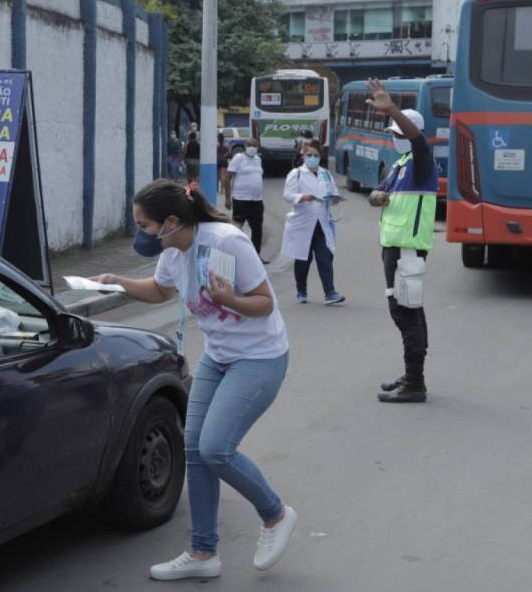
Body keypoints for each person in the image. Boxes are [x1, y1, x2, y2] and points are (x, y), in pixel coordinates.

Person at [91, 179, 297, 581]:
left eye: (144, 226)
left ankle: (275, 515)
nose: (141, 234)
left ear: (170, 221)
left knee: (216, 447)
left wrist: (231, 301)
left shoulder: (227, 242)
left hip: (259, 358)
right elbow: (159, 290)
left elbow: (264, 302)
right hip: (218, 357)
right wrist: (117, 281)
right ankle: (203, 552)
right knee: (194, 447)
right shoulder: (174, 250)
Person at [366, 78, 438, 404]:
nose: (395, 139)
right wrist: (377, 196)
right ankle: (411, 376)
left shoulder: (422, 162)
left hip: (408, 247)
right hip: (393, 245)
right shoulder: (399, 166)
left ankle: (416, 383)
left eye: (398, 135)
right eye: (392, 135)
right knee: (408, 309)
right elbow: (376, 194)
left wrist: (392, 108)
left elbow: (417, 139)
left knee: (405, 312)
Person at [282, 140, 345, 305]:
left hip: (322, 223)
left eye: (315, 155)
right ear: (303, 155)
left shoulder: (325, 173)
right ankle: (301, 291)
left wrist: (334, 199)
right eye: (309, 155)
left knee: (325, 257)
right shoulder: (296, 174)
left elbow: (332, 192)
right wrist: (303, 197)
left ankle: (330, 293)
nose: (312, 158)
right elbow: (288, 195)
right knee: (303, 258)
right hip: (302, 223)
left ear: (320, 157)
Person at [226, 138, 268, 262]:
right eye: (250, 145)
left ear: (258, 147)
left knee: (257, 230)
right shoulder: (239, 158)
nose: (252, 147)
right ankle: (232, 257)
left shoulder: (258, 160)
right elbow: (227, 178)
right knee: (236, 230)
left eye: (255, 145)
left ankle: (256, 257)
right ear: (245, 147)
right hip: (240, 200)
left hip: (257, 201)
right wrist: (227, 198)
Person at [217, 132, 231, 209]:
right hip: (224, 160)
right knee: (223, 176)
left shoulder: (216, 145)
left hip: (217, 160)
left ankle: (217, 189)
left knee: (218, 176)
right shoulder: (226, 145)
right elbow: (229, 154)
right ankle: (222, 189)